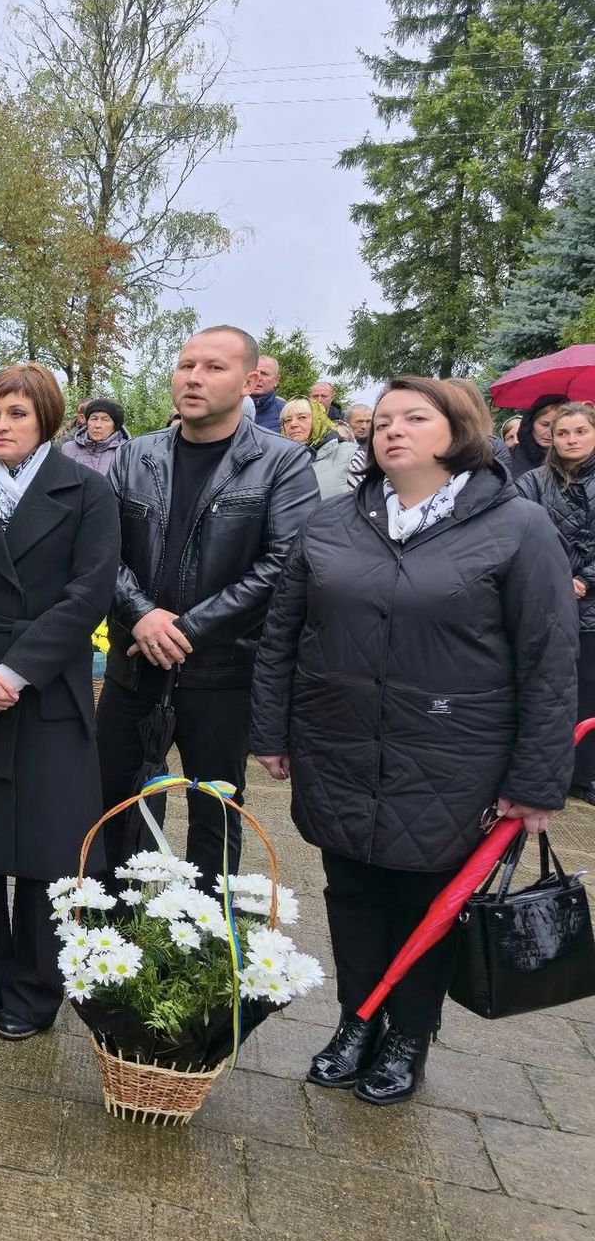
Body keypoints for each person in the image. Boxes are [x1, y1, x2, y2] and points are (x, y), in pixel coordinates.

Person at [252, 377, 574, 1106]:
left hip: (455, 754)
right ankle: (355, 1021)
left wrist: (536, 781)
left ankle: (407, 1035)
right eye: (384, 420)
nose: (392, 430)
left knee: (426, 900)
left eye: (414, 418)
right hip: (338, 743)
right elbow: (283, 635)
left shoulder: (516, 527)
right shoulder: (334, 522)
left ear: (458, 429)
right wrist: (271, 730)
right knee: (354, 892)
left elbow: (549, 659)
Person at [0, 363, 118, 1039]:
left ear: (46, 422)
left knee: (47, 850)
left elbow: (89, 592)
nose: (1, 426)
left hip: (47, 695)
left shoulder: (88, 493)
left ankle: (36, 991)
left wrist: (18, 669)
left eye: (17, 415)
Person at [99, 325, 318, 884]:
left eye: (213, 367)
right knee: (117, 805)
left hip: (222, 671)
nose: (194, 377)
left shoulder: (281, 463)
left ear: (249, 381)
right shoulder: (136, 457)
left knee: (215, 812)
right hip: (134, 662)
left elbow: (285, 565)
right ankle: (115, 935)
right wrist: (142, 615)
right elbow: (100, 551)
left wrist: (188, 629)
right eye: (186, 364)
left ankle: (204, 942)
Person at [514, 401, 595, 804]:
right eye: (562, 432)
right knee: (549, 687)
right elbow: (525, 527)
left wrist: (585, 578)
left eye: (580, 431)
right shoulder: (533, 481)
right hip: (549, 597)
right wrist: (559, 574)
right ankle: (547, 774)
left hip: (592, 604)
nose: (570, 439)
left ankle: (584, 774)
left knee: (590, 691)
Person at [282, 397, 361, 500]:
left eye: (302, 417)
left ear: (318, 419)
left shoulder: (351, 455)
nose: (293, 424)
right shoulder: (281, 462)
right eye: (287, 420)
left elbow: (367, 504)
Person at [58, 397, 128, 476]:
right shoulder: (67, 449)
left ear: (115, 426)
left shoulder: (126, 452)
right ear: (87, 422)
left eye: (105, 420)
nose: (97, 425)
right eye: (94, 419)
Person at [504, 393, 567, 479]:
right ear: (531, 423)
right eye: (545, 425)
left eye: (558, 426)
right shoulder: (506, 458)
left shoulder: (575, 459)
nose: (550, 433)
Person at [245, 353, 284, 432]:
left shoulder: (285, 413)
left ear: (276, 380)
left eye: (264, 374)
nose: (258, 378)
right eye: (254, 373)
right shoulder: (233, 407)